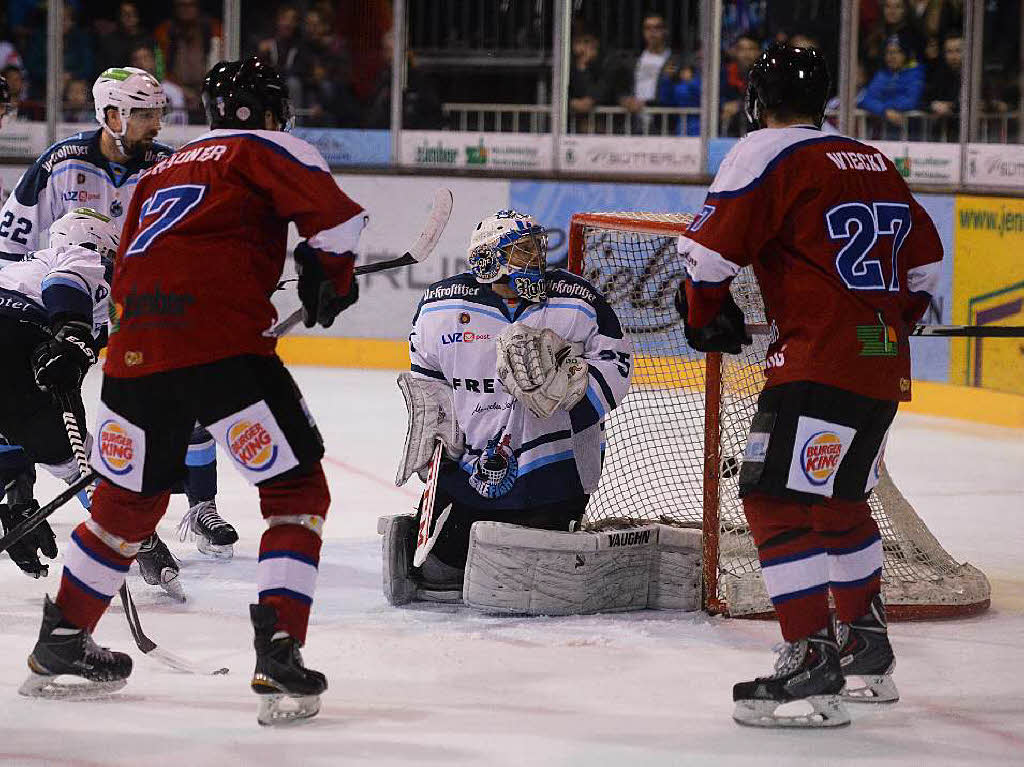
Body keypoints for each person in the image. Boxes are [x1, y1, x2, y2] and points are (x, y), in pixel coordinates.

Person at [19, 57, 365, 727]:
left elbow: (133, 259)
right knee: (297, 491)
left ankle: (60, 641)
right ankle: (279, 650)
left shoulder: (156, 171)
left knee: (124, 506)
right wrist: (330, 274)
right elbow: (337, 223)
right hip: (220, 344)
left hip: (135, 349)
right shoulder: (270, 145)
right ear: (268, 109)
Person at [675, 43, 942, 727]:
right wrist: (880, 325)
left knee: (771, 496)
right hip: (880, 364)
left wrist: (706, 312)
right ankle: (866, 645)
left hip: (817, 362)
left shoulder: (766, 149)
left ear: (759, 100)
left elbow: (705, 255)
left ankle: (810, 657)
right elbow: (925, 269)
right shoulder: (872, 158)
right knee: (841, 499)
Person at [0, 65, 234, 598]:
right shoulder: (58, 165)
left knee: (180, 397)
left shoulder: (170, 167)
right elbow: (13, 245)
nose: (157, 123)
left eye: (158, 113)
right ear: (112, 115)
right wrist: (55, 320)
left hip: (129, 306)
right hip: (61, 307)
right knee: (59, 426)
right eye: (146, 114)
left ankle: (198, 508)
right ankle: (118, 530)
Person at [381, 209, 632, 604]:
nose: (535, 258)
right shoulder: (439, 308)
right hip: (468, 467)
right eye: (521, 250)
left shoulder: (577, 300)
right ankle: (427, 532)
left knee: (535, 573)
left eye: (536, 248)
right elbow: (426, 374)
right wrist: (434, 428)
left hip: (556, 467)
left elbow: (618, 360)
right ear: (488, 259)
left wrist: (574, 391)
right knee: (439, 570)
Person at [0, 208, 117, 580]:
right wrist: (73, 333)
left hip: (13, 358)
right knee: (74, 461)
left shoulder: (14, 269)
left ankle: (16, 504)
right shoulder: (82, 257)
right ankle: (134, 539)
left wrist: (20, 500)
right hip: (16, 341)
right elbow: (65, 282)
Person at [858, 36, 925, 139]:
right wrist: (885, 111)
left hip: (912, 134)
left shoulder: (915, 73)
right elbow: (866, 100)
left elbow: (911, 101)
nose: (892, 56)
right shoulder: (881, 75)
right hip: (885, 134)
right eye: (888, 52)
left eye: (897, 52)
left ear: (905, 54)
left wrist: (885, 105)